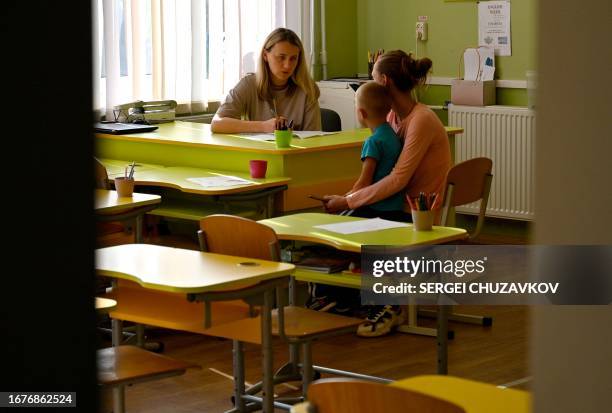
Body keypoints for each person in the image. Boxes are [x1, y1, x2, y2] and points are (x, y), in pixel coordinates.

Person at [323, 50, 451, 337]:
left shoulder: (422, 120)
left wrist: (349, 199)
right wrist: (350, 198)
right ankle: (342, 296)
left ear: (384, 81)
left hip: (414, 216)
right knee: (344, 220)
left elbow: (397, 179)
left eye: (372, 79)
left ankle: (388, 304)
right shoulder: (393, 117)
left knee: (350, 218)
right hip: (395, 206)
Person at [211, 28, 321, 133]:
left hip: (296, 152)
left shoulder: (307, 89)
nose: (288, 65)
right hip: (257, 151)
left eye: (293, 58)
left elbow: (314, 139)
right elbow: (217, 124)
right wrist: (263, 126)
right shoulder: (248, 84)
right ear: (265, 55)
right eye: (281, 57)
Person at [347, 81, 409, 222]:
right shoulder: (393, 136)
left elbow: (364, 183)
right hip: (396, 209)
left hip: (375, 210)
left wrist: (344, 199)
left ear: (361, 113)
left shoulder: (373, 142)